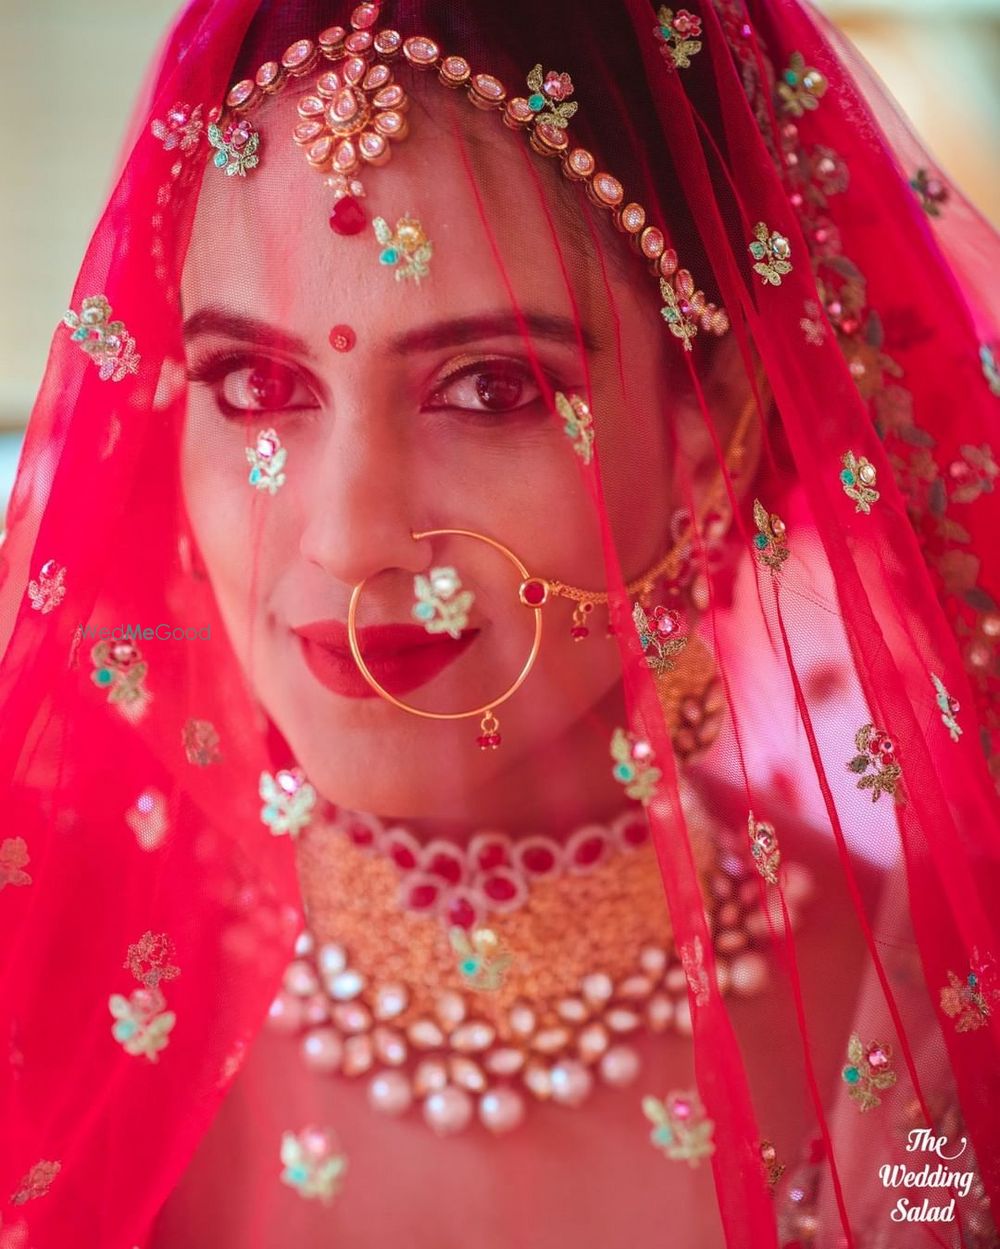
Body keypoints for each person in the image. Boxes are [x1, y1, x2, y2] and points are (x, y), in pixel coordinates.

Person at [1, 1, 998, 1246]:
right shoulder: (47, 986)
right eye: (255, 385)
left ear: (705, 429)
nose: (350, 537)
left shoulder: (936, 1037)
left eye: (490, 387)